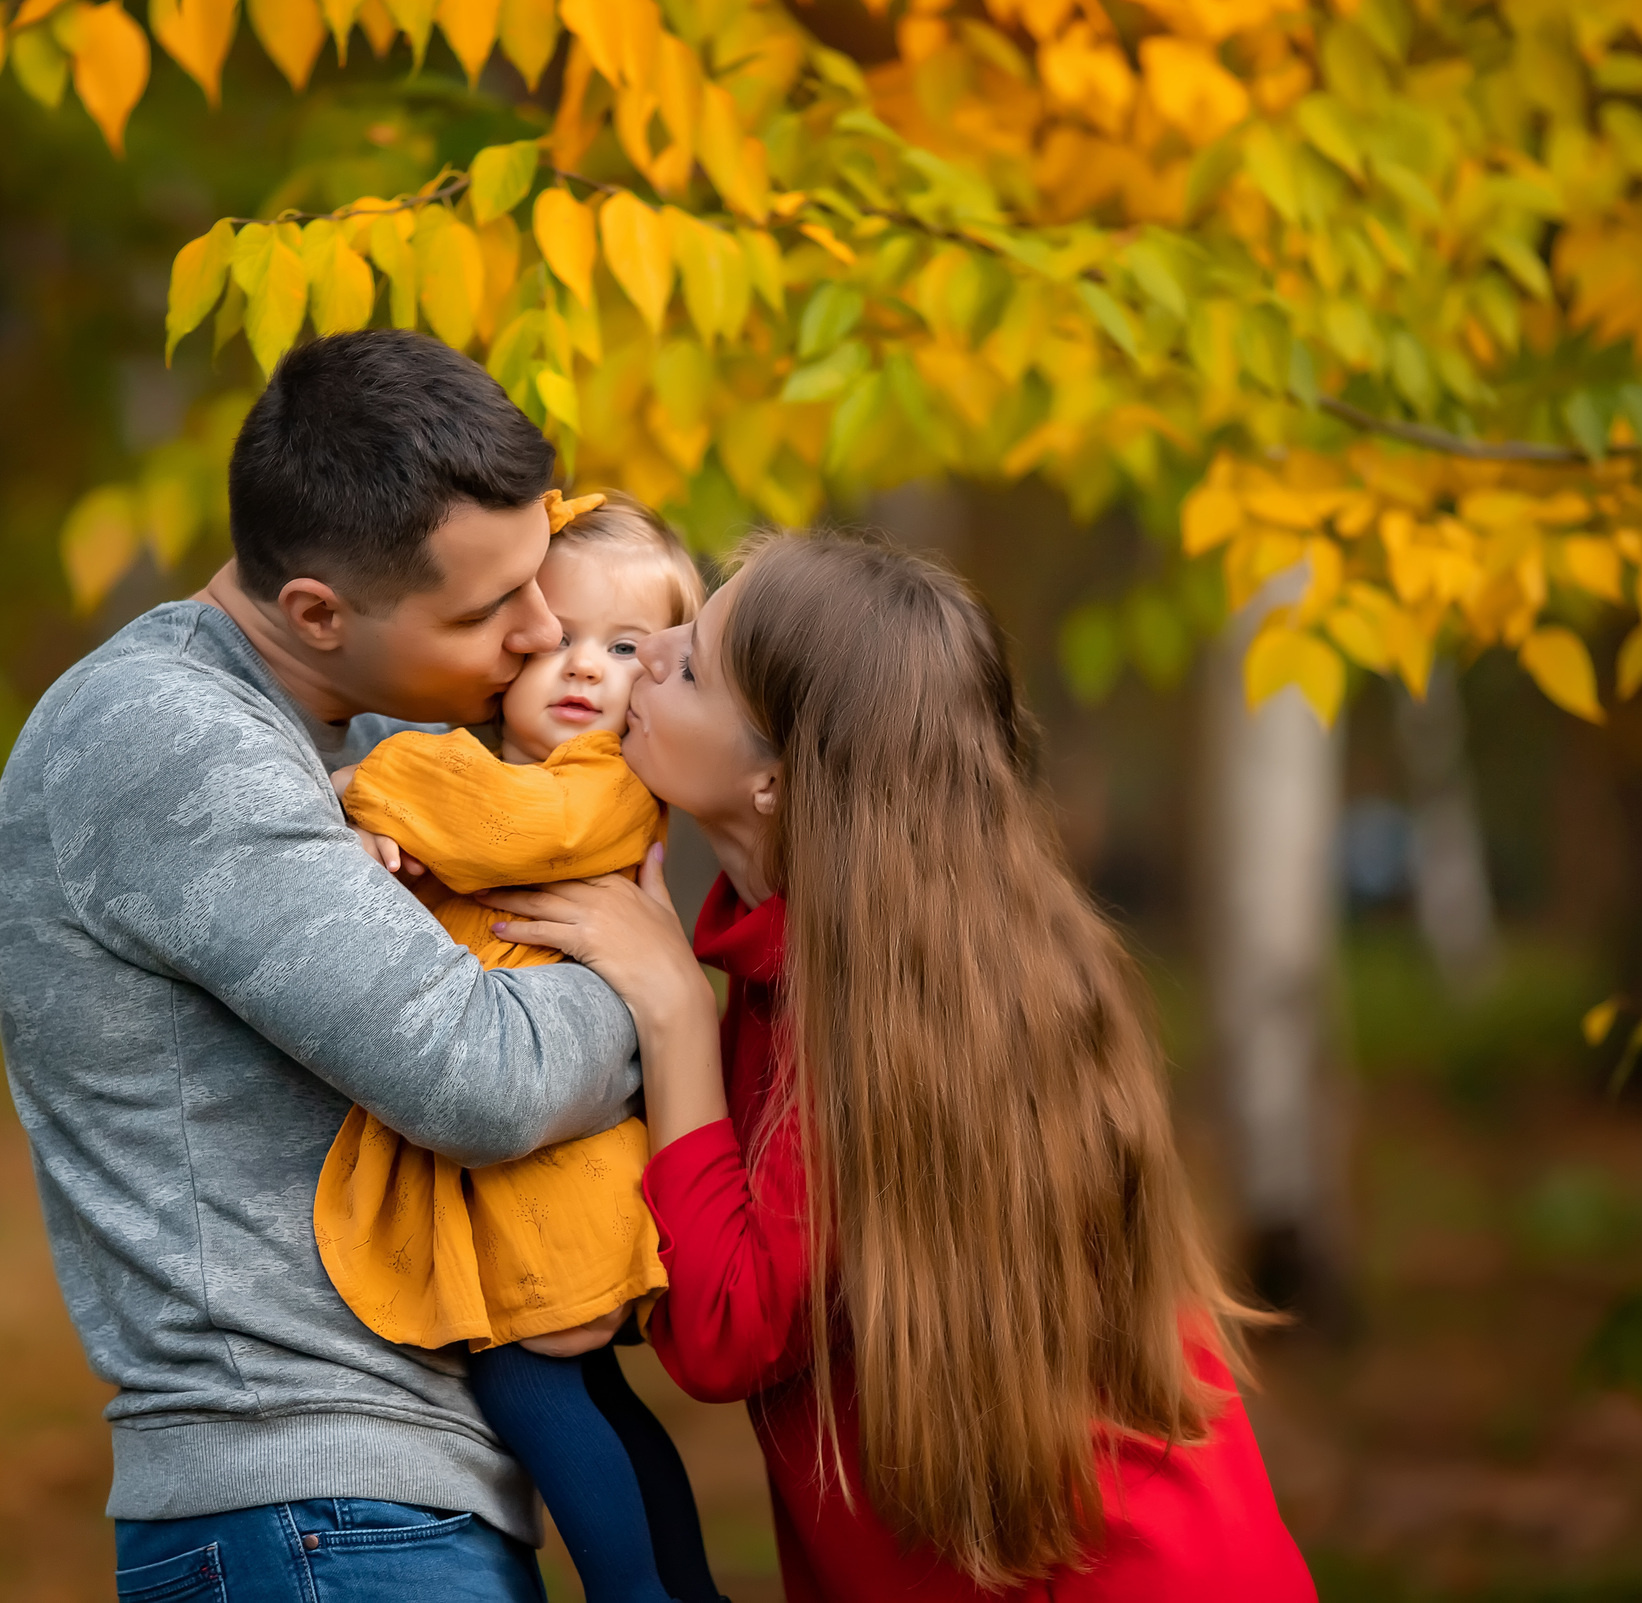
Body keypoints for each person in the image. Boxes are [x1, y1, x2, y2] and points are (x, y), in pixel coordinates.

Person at [481, 529, 1318, 1601]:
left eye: (689, 663)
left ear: (775, 779)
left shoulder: (872, 1011)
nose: (647, 653)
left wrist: (673, 1009)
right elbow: (760, 1266)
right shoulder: (848, 956)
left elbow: (732, 1328)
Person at [0, 330, 641, 1603]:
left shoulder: (363, 728)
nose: (544, 628)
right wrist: (651, 971)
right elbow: (483, 1075)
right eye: (487, 607)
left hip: (380, 1506)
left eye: (537, 573)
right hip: (311, 1508)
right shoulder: (168, 741)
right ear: (316, 612)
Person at [317, 488, 721, 1603]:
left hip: (556, 1170)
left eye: (628, 647)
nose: (586, 667)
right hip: (540, 1160)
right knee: (579, 1392)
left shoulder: (597, 787)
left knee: (536, 1385)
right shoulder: (509, 775)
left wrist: (356, 791)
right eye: (561, 637)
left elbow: (496, 829)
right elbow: (473, 824)